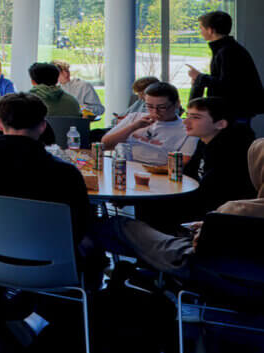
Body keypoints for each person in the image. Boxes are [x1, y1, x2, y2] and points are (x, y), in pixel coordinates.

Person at [0, 93, 91, 344]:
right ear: (43, 126)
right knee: (90, 244)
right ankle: (38, 318)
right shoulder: (65, 172)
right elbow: (79, 226)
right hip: (46, 265)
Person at [94, 137, 264, 279]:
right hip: (252, 282)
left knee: (116, 226)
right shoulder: (240, 211)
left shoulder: (237, 210)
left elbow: (203, 247)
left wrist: (204, 230)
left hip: (200, 266)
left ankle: (90, 277)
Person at [140, 97, 258, 229]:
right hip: (202, 204)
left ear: (220, 124)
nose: (185, 122)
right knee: (147, 202)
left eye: (195, 117)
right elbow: (188, 175)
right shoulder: (205, 141)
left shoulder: (232, 152)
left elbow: (210, 194)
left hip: (220, 215)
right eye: (187, 115)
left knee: (149, 208)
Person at [188, 10, 264, 122]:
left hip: (235, 112)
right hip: (233, 110)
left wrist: (200, 77)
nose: (200, 31)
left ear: (210, 30)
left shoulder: (228, 51)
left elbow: (228, 85)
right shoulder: (228, 49)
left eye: (201, 28)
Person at [100, 80, 195, 165]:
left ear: (177, 104)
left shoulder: (187, 128)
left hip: (159, 172)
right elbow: (105, 145)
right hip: (125, 167)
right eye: (149, 106)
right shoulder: (135, 117)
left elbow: (183, 162)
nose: (155, 111)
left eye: (162, 107)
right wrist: (133, 127)